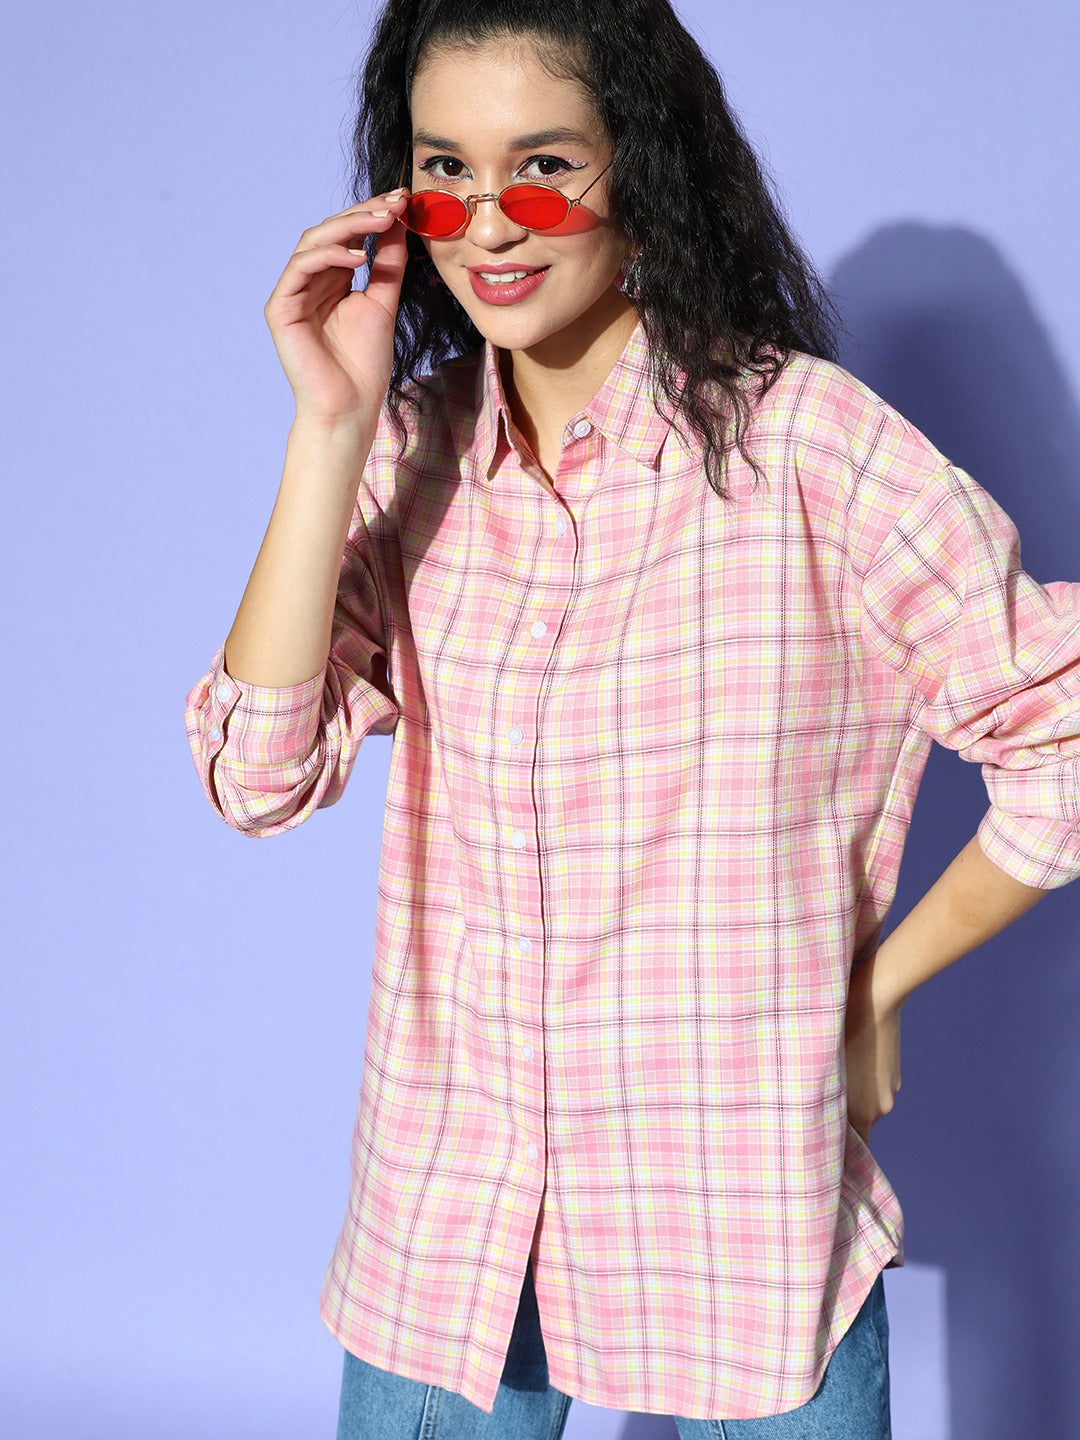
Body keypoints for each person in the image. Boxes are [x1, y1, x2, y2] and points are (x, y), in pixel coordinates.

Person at [183, 0, 1080, 1435]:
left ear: (645, 172)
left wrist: (876, 989)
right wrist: (329, 427)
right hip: (450, 1223)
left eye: (543, 168)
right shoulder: (408, 446)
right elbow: (257, 774)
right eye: (444, 174)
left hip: (736, 1224)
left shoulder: (813, 448)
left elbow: (1063, 735)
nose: (489, 225)